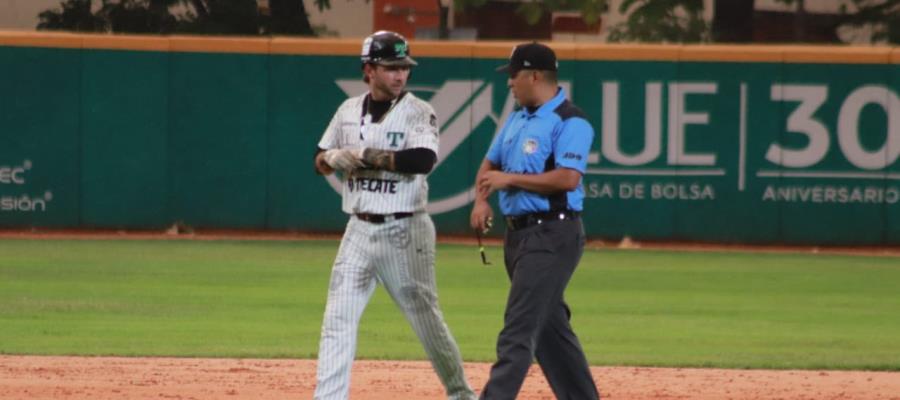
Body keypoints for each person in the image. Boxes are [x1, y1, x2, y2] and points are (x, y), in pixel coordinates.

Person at [312, 30, 476, 400]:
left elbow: (423, 160)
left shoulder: (419, 111)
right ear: (368, 69)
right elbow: (318, 159)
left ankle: (461, 394)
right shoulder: (348, 111)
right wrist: (331, 159)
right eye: (391, 67)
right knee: (338, 319)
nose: (400, 74)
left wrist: (367, 156)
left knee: (427, 322)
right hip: (358, 228)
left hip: (405, 229)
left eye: (404, 67)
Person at [469, 42, 600, 400]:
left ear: (535, 75)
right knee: (549, 330)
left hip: (553, 233)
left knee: (518, 329)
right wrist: (482, 200)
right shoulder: (516, 118)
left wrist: (508, 180)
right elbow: (489, 163)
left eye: (513, 74)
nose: (509, 82)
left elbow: (568, 178)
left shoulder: (571, 120)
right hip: (518, 237)